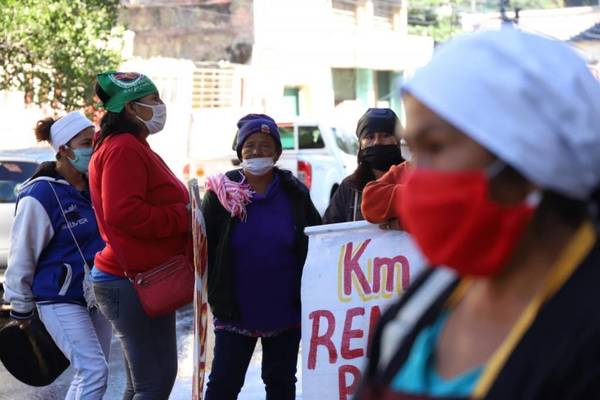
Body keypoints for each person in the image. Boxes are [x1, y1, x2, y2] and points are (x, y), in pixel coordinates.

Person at [356, 28, 600, 399]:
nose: (418, 178)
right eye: (414, 150)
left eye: (436, 145)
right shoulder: (429, 297)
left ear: (530, 154)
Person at [202, 114, 322, 400]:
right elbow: (202, 245)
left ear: (277, 153)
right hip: (235, 309)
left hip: (285, 309)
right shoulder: (221, 193)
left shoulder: (295, 193)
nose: (258, 152)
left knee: (281, 384)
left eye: (266, 146)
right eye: (250, 146)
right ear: (240, 152)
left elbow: (317, 240)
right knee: (223, 384)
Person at [89, 72, 191, 400]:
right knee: (154, 383)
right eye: (154, 100)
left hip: (138, 277)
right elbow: (124, 213)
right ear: (132, 108)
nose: (161, 106)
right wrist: (185, 217)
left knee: (144, 383)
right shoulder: (123, 149)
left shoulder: (131, 146)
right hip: (130, 280)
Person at [3, 111, 112, 399]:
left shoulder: (94, 187)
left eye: (96, 142)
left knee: (89, 372)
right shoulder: (40, 194)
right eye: (87, 143)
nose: (94, 148)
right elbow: (22, 255)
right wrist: (21, 306)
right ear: (63, 150)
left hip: (96, 295)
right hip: (58, 298)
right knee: (94, 371)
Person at [323, 108, 405, 224]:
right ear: (361, 144)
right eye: (370, 137)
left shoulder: (413, 180)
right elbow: (329, 234)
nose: (377, 142)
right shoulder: (349, 188)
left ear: (397, 140)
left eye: (385, 135)